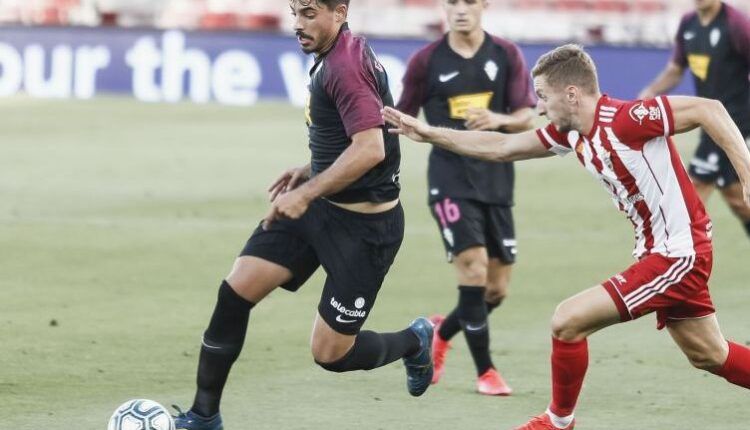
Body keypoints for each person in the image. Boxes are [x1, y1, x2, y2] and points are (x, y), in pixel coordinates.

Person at [383, 44, 750, 430]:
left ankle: (557, 422)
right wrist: (430, 134)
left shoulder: (626, 120)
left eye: (542, 96)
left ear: (571, 94)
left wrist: (746, 173)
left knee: (567, 320)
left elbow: (710, 109)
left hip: (678, 256)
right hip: (660, 254)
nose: (539, 106)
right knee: (709, 354)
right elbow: (503, 146)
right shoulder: (571, 133)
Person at [172, 1, 435, 429]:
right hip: (320, 207)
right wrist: (310, 170)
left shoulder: (345, 65)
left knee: (331, 354)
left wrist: (306, 191)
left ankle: (414, 341)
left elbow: (372, 148)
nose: (297, 24)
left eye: (309, 13)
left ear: (340, 12)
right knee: (235, 293)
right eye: (295, 11)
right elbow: (348, 136)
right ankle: (204, 417)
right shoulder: (335, 54)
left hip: (365, 230)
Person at [396, 0, 535, 396]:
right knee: (473, 270)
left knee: (496, 289)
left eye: (469, 1)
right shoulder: (426, 61)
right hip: (449, 178)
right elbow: (401, 117)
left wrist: (499, 121)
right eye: (452, 1)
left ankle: (441, 331)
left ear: (484, 5)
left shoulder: (506, 54)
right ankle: (486, 372)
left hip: (496, 178)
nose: (460, 9)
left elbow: (526, 114)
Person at [639, 0, 750, 237]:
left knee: (694, 188)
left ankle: (671, 255)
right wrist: (650, 92)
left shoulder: (736, 24)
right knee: (735, 196)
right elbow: (675, 70)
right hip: (708, 121)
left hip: (735, 121)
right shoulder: (688, 24)